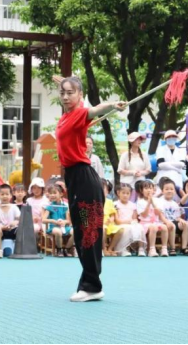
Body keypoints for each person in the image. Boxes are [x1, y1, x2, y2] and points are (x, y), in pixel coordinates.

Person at [56, 75, 126, 302]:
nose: (65, 97)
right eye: (62, 93)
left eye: (71, 93)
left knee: (88, 232)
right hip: (74, 178)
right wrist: (65, 81)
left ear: (80, 95)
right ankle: (90, 284)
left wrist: (113, 105)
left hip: (84, 179)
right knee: (81, 232)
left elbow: (95, 110)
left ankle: (92, 286)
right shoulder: (67, 116)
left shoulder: (79, 114)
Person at [113, 183, 147, 257]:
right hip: (120, 224)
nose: (125, 195)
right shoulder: (115, 204)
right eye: (123, 193)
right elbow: (117, 220)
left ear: (130, 194)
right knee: (127, 228)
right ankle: (124, 249)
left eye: (127, 193)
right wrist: (127, 222)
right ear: (118, 193)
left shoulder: (133, 205)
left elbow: (135, 218)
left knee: (140, 227)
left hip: (131, 223)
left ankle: (141, 248)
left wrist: (133, 222)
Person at [43, 185, 75, 258]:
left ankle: (67, 249)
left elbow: (68, 221)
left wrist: (64, 222)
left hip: (65, 227)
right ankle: (59, 250)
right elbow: (43, 220)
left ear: (61, 194)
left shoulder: (65, 206)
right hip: (53, 227)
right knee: (58, 232)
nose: (52, 195)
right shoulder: (49, 206)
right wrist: (53, 221)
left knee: (76, 232)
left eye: (54, 193)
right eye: (50, 193)